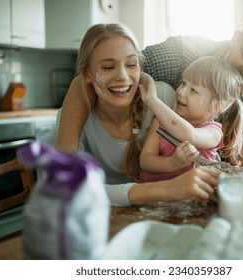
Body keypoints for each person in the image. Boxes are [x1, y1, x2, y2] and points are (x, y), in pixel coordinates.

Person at [57, 6, 243, 182]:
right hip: (146, 179)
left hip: (197, 185)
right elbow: (89, 79)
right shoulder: (183, 53)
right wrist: (66, 156)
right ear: (235, 38)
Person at [73, 23, 220, 206]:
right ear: (86, 74)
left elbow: (204, 148)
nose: (122, 75)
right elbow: (75, 188)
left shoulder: (164, 96)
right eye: (108, 67)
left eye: (131, 64)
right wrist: (165, 189)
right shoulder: (75, 117)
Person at [136, 56, 243, 183]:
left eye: (193, 90)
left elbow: (190, 135)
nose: (181, 92)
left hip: (188, 197)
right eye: (183, 83)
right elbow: (144, 161)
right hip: (150, 191)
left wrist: (152, 101)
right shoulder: (160, 121)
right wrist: (171, 164)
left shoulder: (213, 132)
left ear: (218, 106)